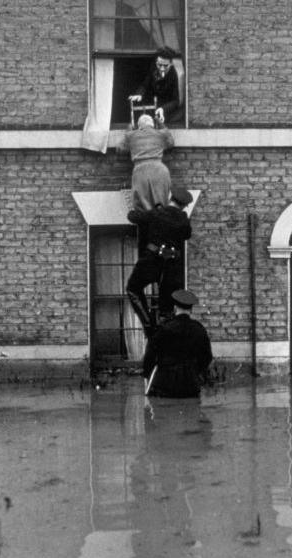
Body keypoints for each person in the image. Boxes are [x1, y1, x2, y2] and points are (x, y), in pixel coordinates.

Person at [126, 188, 192, 335]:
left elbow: (132, 217)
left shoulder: (157, 213)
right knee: (166, 309)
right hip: (172, 266)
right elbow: (187, 234)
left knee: (133, 289)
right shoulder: (183, 219)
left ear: (170, 198)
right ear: (183, 206)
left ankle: (150, 328)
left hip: (151, 261)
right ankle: (164, 342)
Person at [142, 289, 213, 398]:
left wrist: (148, 374)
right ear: (191, 310)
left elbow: (149, 357)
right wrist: (194, 372)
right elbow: (207, 357)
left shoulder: (163, 328)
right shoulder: (199, 329)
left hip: (164, 384)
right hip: (190, 385)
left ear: (175, 308)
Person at [122, 113, 174, 211]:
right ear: (153, 124)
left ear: (139, 126)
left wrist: (128, 130)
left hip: (141, 171)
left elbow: (121, 149)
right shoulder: (161, 134)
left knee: (143, 209)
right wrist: (161, 124)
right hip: (160, 170)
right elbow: (171, 143)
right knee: (162, 207)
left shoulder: (131, 135)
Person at [128, 46, 181, 126]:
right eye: (159, 65)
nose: (162, 69)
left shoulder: (174, 75)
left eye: (165, 66)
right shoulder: (153, 68)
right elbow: (145, 85)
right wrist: (139, 94)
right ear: (156, 62)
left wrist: (163, 109)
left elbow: (176, 100)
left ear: (171, 64)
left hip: (167, 112)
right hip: (152, 108)